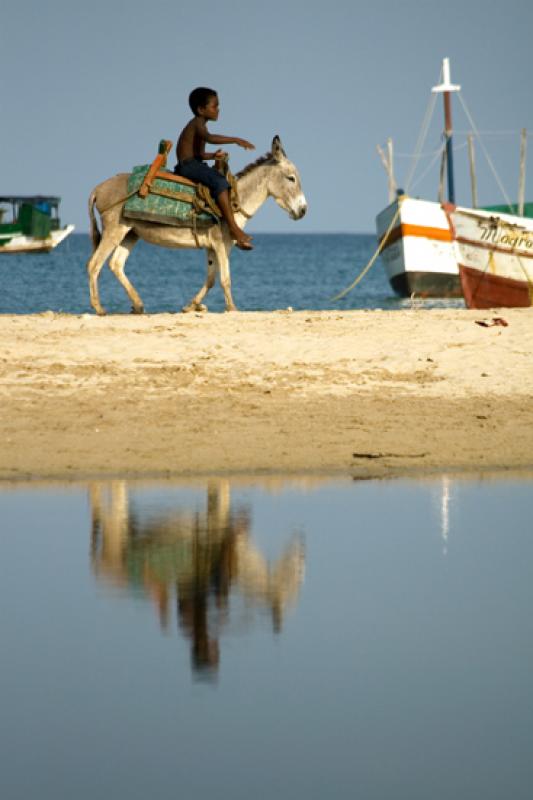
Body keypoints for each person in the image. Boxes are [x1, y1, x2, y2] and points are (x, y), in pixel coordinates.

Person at [175, 87, 255, 250]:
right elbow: (210, 139)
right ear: (201, 109)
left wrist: (213, 156)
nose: (218, 110)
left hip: (193, 163)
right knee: (220, 182)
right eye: (214, 106)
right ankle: (234, 229)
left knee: (221, 179)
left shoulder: (201, 125)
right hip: (188, 166)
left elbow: (200, 153)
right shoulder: (197, 123)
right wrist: (235, 139)